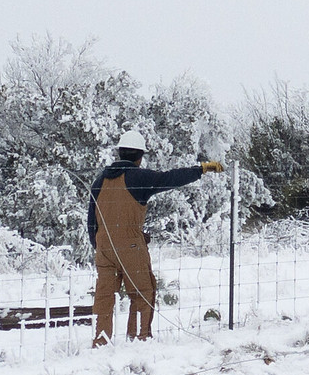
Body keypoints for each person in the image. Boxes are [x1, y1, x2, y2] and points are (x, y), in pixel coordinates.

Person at [90, 130, 223, 345]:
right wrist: (201, 169)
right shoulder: (138, 177)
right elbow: (168, 178)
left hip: (104, 249)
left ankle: (100, 341)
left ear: (120, 153)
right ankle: (139, 339)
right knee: (143, 291)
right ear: (139, 156)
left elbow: (91, 220)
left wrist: (100, 246)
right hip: (130, 247)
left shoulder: (99, 180)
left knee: (104, 297)